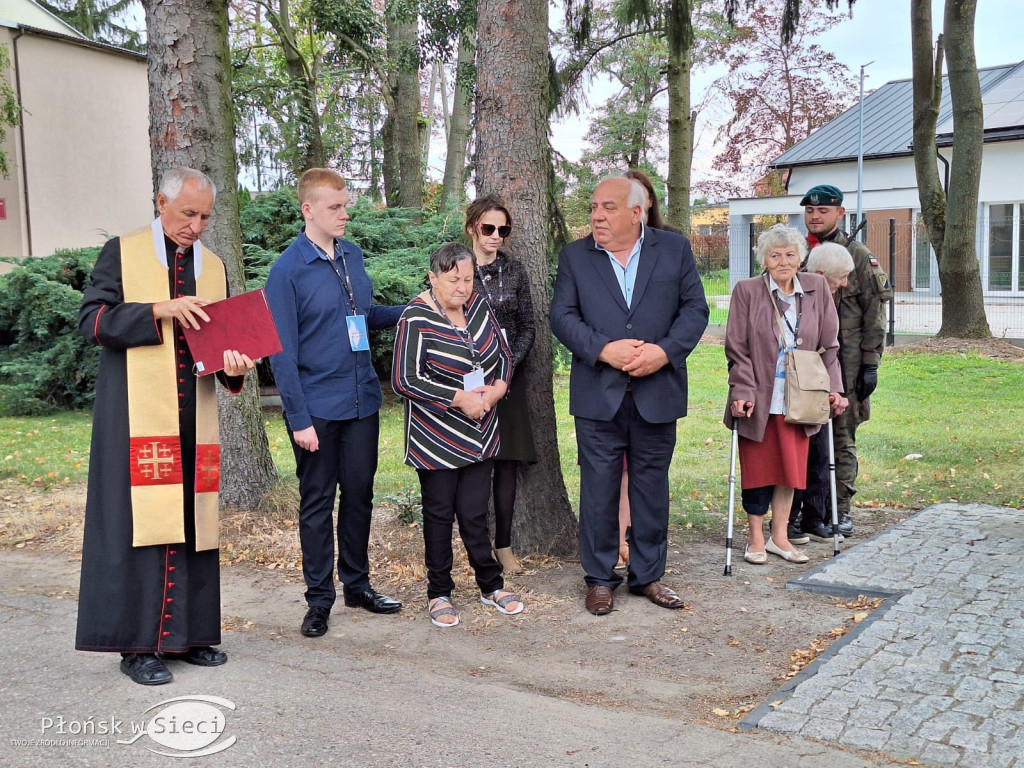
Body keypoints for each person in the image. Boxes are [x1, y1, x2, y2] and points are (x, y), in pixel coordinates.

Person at [76, 167, 256, 686]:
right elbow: (92, 321)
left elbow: (219, 347)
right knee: (142, 528)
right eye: (187, 214)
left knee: (193, 523)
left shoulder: (214, 267)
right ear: (161, 203)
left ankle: (190, 636)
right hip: (135, 417)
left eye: (204, 217)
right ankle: (139, 646)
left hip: (191, 417)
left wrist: (235, 368)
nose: (196, 226)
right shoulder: (124, 251)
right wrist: (159, 309)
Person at [550, 175, 709, 615]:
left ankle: (648, 576)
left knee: (651, 488)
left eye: (608, 207)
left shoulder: (673, 249)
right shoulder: (575, 256)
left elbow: (695, 308)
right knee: (598, 489)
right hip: (598, 394)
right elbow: (561, 316)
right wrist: (603, 349)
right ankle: (600, 579)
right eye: (594, 207)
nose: (597, 215)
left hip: (658, 391)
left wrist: (664, 352)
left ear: (637, 212)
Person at [265, 168, 404, 639]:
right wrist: (298, 419)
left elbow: (362, 317)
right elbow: (280, 351)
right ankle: (319, 599)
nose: (345, 214)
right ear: (308, 210)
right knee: (317, 503)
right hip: (317, 410)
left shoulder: (352, 255)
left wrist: (416, 308)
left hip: (362, 399)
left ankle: (357, 586)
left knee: (360, 497)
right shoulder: (287, 271)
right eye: (335, 207)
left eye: (346, 205)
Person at [392, 243, 522, 628]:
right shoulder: (415, 318)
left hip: (481, 430)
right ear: (433, 279)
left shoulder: (479, 307)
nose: (462, 287)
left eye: (467, 279)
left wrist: (497, 390)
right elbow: (404, 378)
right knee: (438, 515)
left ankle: (490, 585)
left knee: (474, 512)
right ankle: (439, 593)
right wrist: (458, 398)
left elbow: (504, 354)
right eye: (453, 280)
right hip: (436, 437)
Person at [724, 224, 847, 565]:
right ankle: (755, 538)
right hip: (760, 394)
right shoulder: (747, 291)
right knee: (758, 469)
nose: (783, 261)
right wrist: (743, 389)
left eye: (790, 254)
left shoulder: (817, 287)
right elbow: (738, 348)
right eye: (775, 255)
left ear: (800, 258)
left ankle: (780, 536)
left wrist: (834, 389)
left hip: (802, 393)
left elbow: (830, 346)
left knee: (791, 469)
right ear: (763, 259)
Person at [794, 184, 890, 538]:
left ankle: (840, 508)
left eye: (823, 211)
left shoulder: (858, 255)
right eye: (810, 211)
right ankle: (806, 509)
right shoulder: (799, 254)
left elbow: (874, 314)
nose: (815, 216)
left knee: (841, 435)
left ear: (840, 214)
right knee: (804, 433)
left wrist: (870, 363)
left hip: (846, 363)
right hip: (805, 362)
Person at [465, 196, 537, 575]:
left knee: (506, 462)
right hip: (467, 377)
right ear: (473, 226)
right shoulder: (457, 267)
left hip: (507, 375)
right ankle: (474, 546)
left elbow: (528, 326)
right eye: (488, 228)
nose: (496, 236)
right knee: (475, 461)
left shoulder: (516, 270)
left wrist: (506, 367)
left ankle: (504, 545)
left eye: (503, 230)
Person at [790, 243, 856, 544]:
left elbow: (832, 349)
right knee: (795, 455)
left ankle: (814, 517)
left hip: (818, 384)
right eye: (839, 277)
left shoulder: (831, 297)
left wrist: (835, 388)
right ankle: (788, 520)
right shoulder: (796, 295)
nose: (844, 284)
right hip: (793, 383)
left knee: (820, 453)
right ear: (818, 274)